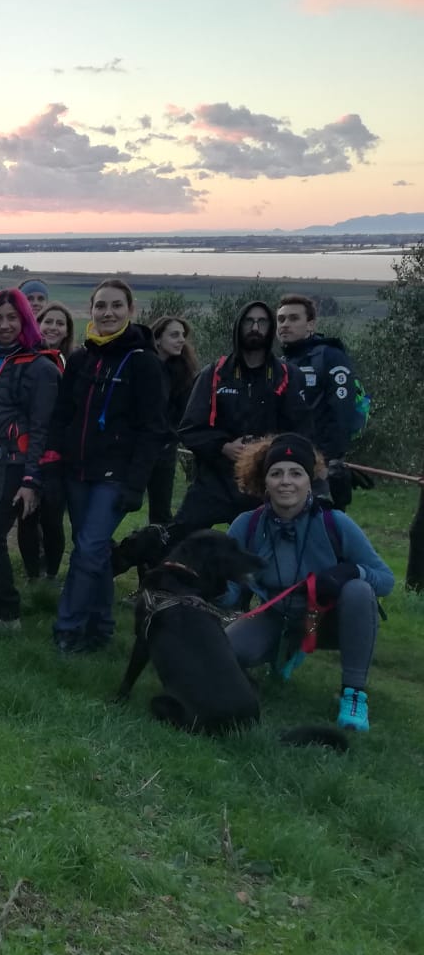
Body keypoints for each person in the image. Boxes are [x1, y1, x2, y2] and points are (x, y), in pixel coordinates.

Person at [223, 433, 393, 732]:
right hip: (276, 616)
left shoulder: (335, 523)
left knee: (359, 590)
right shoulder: (246, 525)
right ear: (264, 481)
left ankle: (354, 695)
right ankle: (286, 649)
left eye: (296, 473)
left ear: (309, 480)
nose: (285, 482)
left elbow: (386, 580)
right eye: (276, 473)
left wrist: (349, 572)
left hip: (325, 621)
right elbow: (229, 590)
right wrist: (200, 584)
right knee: (227, 652)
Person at [42, 279, 166, 653]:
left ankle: (67, 628)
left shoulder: (144, 362)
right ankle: (102, 626)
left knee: (87, 549)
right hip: (76, 472)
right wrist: (53, 459)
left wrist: (136, 484)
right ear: (91, 310)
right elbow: (62, 414)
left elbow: (153, 429)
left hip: (115, 476)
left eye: (116, 306)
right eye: (100, 306)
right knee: (91, 551)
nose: (107, 313)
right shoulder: (81, 359)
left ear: (131, 310)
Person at [0, 289, 62, 632]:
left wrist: (32, 480)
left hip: (12, 466)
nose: (4, 325)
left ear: (25, 321)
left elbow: (42, 428)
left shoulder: (41, 368)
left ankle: (7, 614)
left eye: (12, 318)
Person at [173, 299, 311, 536]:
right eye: (249, 321)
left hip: (264, 483)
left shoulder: (288, 376)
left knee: (263, 548)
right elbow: (190, 428)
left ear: (270, 329)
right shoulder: (214, 374)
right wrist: (223, 446)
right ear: (238, 326)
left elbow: (302, 431)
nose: (255, 328)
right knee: (180, 541)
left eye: (262, 322)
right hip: (213, 481)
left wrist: (266, 449)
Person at [277, 293, 362, 510]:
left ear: (311, 324)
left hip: (321, 464)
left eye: (294, 318)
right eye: (281, 319)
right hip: (288, 459)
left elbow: (341, 412)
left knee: (321, 523)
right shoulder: (281, 363)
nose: (285, 324)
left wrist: (327, 460)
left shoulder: (330, 356)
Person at [17, 300, 75, 584]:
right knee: (27, 515)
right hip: (28, 448)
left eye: (59, 323)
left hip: (59, 454)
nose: (53, 327)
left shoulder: (73, 362)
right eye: (47, 322)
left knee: (52, 518)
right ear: (37, 326)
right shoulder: (26, 359)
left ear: (67, 330)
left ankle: (50, 574)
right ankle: (32, 574)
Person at [147, 314, 199, 525]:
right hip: (137, 449)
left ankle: (159, 544)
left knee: (161, 513)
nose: (181, 340)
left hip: (165, 450)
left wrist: (171, 437)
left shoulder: (183, 374)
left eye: (183, 335)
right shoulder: (142, 369)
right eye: (175, 335)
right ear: (158, 339)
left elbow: (185, 415)